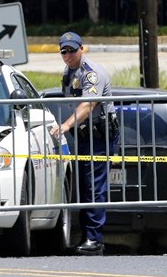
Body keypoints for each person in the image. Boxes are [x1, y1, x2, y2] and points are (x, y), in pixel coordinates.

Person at [49, 31, 119, 256]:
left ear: (82, 48)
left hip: (99, 137)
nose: (68, 55)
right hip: (84, 135)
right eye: (64, 51)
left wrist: (66, 125)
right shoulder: (69, 71)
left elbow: (88, 105)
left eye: (72, 50)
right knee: (84, 186)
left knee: (94, 187)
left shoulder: (91, 73)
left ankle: (94, 239)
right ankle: (87, 235)